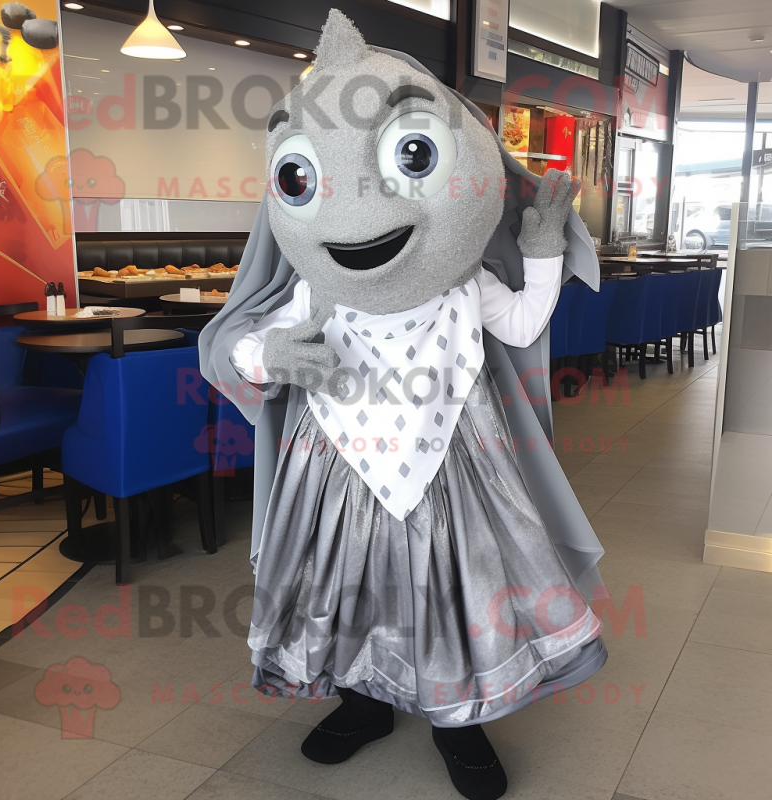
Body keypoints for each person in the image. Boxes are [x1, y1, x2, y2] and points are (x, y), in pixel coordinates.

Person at [200, 11, 607, 799]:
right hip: (334, 469)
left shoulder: (465, 281)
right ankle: (363, 704)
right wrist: (269, 356)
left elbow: (523, 323)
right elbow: (249, 345)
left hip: (458, 464)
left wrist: (543, 250)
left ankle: (460, 720)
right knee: (343, 585)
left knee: (458, 586)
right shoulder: (314, 288)